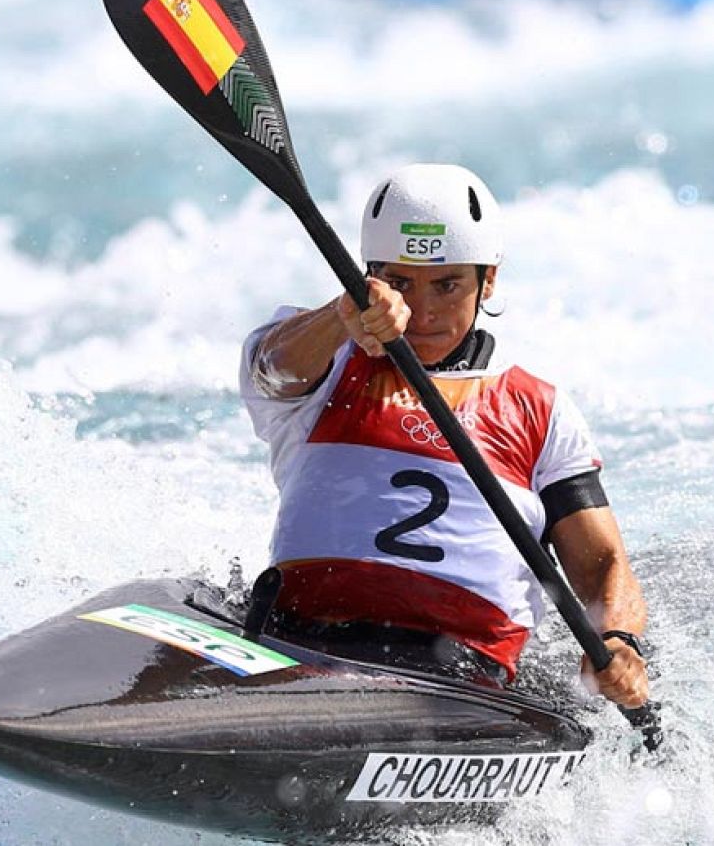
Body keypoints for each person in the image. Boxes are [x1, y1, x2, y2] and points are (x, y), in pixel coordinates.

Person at [239, 164, 649, 710]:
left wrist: (619, 641)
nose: (424, 310)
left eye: (448, 284)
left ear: (489, 280)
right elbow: (271, 370)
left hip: (459, 682)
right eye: (400, 282)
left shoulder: (540, 410)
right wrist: (342, 317)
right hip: (299, 644)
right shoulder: (322, 360)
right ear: (370, 277)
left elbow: (602, 569)